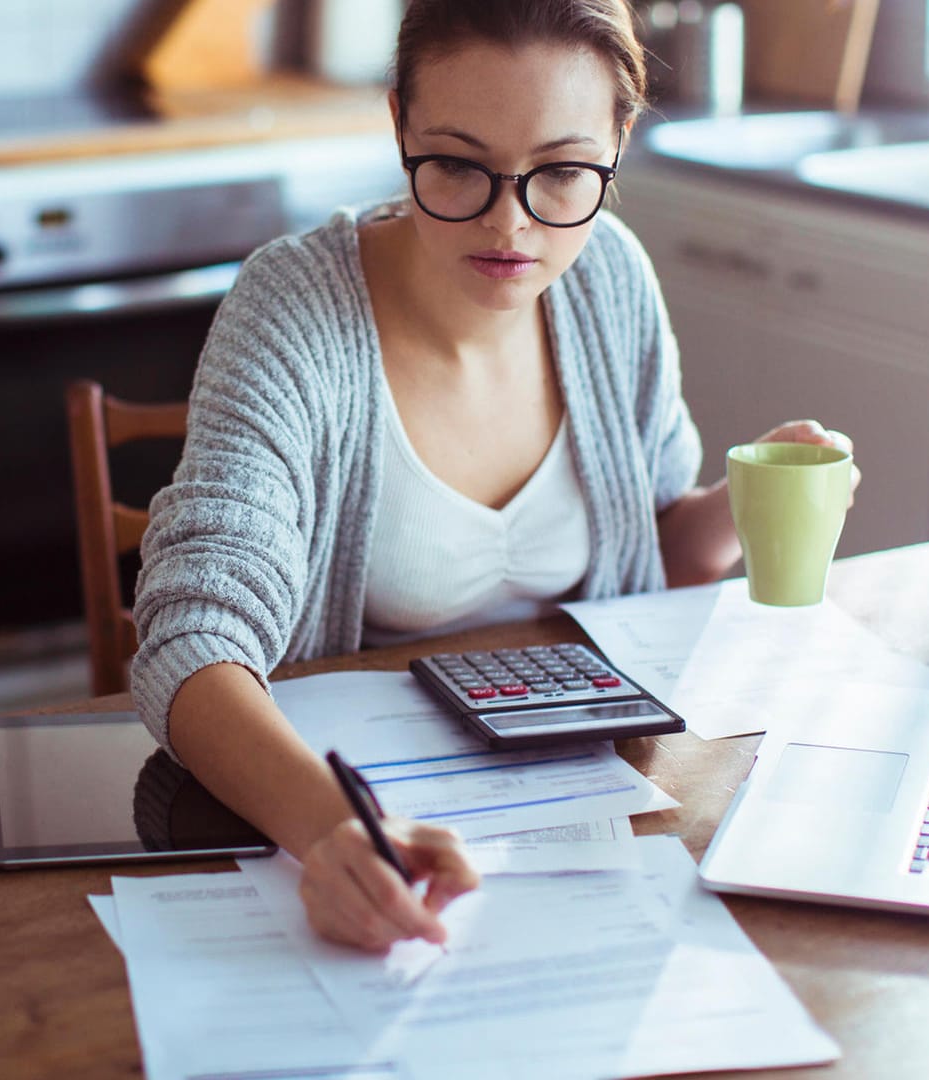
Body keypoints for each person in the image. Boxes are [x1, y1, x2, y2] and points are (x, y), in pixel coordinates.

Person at [130, 0, 857, 953]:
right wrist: (330, 829)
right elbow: (191, 636)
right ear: (399, 126)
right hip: (351, 811)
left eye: (560, 171)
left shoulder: (610, 281)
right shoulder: (294, 310)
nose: (511, 223)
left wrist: (741, 506)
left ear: (618, 140)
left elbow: (651, 552)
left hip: (591, 828)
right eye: (460, 165)